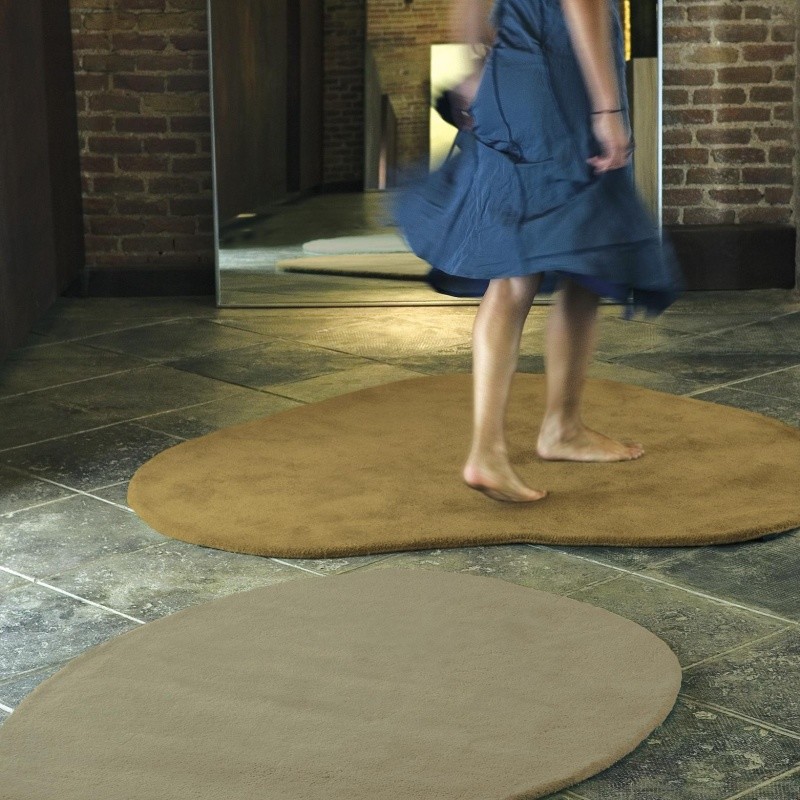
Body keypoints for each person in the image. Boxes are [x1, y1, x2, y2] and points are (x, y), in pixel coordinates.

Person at [397, 0, 682, 503]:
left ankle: (559, 428)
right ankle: (494, 451)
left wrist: (475, 64)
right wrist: (608, 109)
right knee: (563, 250)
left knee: (576, 251)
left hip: (513, 73)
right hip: (563, 78)